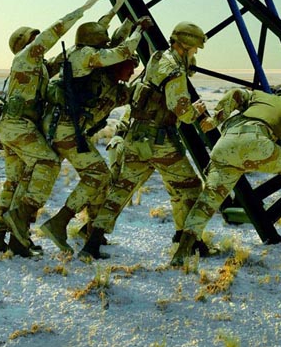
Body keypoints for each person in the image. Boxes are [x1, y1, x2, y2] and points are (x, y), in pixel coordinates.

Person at [0, 0, 103, 257]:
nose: (39, 41)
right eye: (34, 38)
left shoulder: (38, 67)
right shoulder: (25, 58)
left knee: (16, 182)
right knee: (48, 163)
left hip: (14, 128)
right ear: (25, 44)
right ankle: (21, 220)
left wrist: (106, 19)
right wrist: (84, 7)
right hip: (19, 126)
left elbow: (74, 54)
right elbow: (56, 30)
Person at [170, 82, 281, 266]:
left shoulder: (259, 96)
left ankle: (182, 250)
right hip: (256, 144)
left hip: (224, 146)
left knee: (208, 201)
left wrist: (215, 119)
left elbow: (236, 93)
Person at [79, 22, 208, 260]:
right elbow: (182, 113)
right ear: (185, 45)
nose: (195, 53)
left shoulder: (157, 59)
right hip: (160, 142)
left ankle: (92, 243)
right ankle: (189, 242)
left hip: (136, 137)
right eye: (195, 48)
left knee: (121, 190)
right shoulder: (175, 72)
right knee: (190, 187)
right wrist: (196, 111)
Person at [39, 0, 153, 253]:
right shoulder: (88, 61)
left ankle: (90, 231)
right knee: (98, 174)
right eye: (130, 67)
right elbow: (119, 49)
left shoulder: (109, 84)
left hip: (67, 129)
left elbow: (108, 37)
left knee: (100, 181)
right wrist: (139, 29)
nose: (131, 72)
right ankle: (59, 223)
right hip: (65, 129)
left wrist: (120, 13)